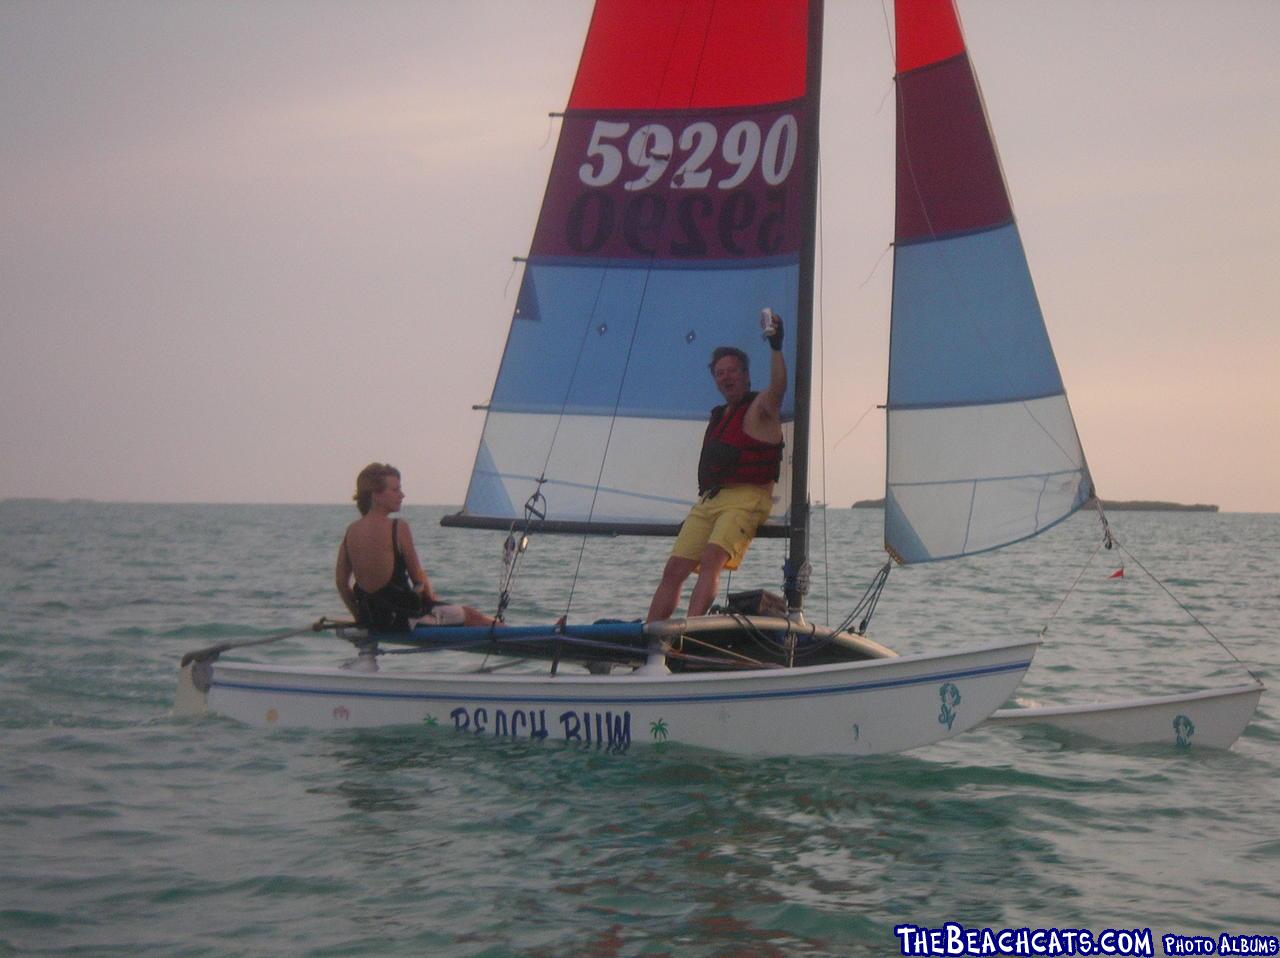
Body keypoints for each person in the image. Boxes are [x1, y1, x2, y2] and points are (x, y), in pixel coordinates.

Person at [645, 312, 787, 622]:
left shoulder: (760, 407)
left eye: (733, 371)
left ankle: (690, 632)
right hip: (711, 499)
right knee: (674, 570)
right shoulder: (720, 415)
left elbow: (778, 387)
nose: (726, 377)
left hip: (748, 497)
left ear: (746, 375)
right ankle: (651, 638)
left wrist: (775, 347)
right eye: (720, 373)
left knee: (711, 559)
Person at [336, 463, 496, 631]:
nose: (402, 495)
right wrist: (432, 602)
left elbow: (341, 583)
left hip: (373, 620)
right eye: (395, 490)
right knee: (472, 616)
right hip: (404, 620)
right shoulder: (397, 527)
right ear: (376, 495)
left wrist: (360, 618)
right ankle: (518, 638)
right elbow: (418, 576)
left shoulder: (351, 530)